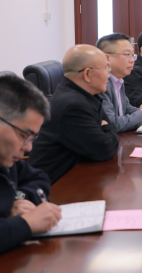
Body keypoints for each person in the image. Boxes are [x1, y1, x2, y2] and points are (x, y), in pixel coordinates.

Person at [0, 76, 62, 262]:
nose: (29, 147)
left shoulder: (1, 156)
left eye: (32, 138)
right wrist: (26, 224)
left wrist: (19, 198)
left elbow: (39, 177)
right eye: (24, 135)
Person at [29, 45, 120, 183]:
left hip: (77, 174)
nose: (109, 74)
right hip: (55, 186)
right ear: (87, 74)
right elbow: (105, 148)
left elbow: (109, 132)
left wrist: (106, 127)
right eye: (106, 69)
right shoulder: (73, 106)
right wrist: (106, 127)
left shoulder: (87, 94)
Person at [96, 33, 142, 132]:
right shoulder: (100, 84)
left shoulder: (119, 80)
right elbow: (112, 123)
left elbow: (126, 108)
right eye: (127, 55)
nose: (132, 60)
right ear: (107, 58)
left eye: (133, 55)